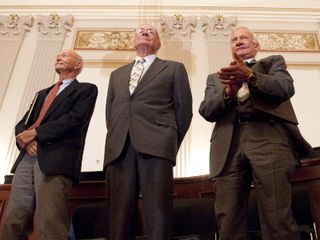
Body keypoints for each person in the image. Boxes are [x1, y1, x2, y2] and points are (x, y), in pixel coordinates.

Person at [199, 26, 312, 240]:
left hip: (268, 138)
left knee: (277, 216)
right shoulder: (216, 78)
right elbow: (206, 111)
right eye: (234, 40)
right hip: (228, 146)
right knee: (228, 221)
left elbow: (285, 88)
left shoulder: (272, 63)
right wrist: (227, 92)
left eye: (244, 38)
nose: (238, 41)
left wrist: (250, 75)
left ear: (256, 46)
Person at [104, 23, 193, 240]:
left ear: (158, 43)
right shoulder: (117, 74)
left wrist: (167, 141)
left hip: (157, 147)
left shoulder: (173, 68)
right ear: (134, 42)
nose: (144, 33)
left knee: (158, 214)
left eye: (150, 32)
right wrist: (119, 135)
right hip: (119, 149)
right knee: (119, 217)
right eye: (139, 32)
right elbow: (111, 113)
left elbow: (184, 111)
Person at [0, 49, 98, 240]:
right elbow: (24, 122)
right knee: (14, 218)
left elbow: (74, 120)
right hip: (27, 157)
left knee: (50, 220)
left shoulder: (86, 89)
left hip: (55, 158)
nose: (58, 57)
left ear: (77, 65)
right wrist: (26, 142)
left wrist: (35, 133)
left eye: (65, 56)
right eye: (57, 56)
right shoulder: (41, 93)